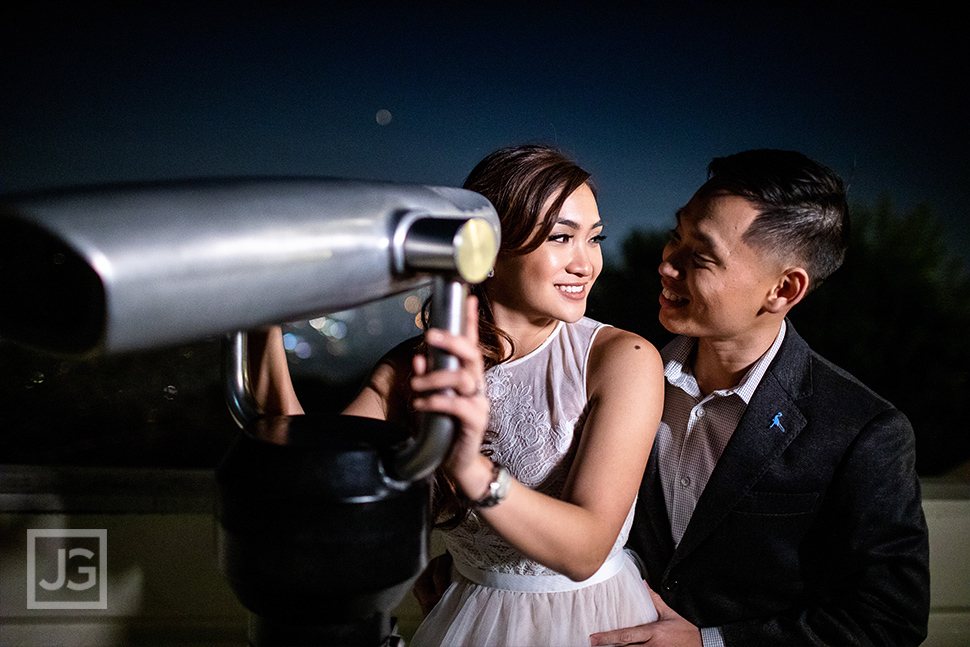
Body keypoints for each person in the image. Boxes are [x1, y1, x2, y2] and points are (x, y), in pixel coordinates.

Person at [251, 144, 665, 645]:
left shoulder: (622, 358)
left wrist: (470, 469)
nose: (586, 264)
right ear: (488, 252)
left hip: (591, 621)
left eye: (594, 239)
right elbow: (315, 481)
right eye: (561, 238)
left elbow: (585, 551)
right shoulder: (416, 365)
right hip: (469, 615)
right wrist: (260, 324)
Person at [586, 149, 931, 646]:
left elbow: (888, 619)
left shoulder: (863, 430)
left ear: (783, 289)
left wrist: (710, 644)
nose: (666, 264)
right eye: (674, 236)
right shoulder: (616, 373)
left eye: (700, 256)